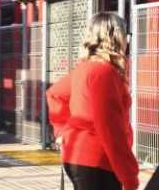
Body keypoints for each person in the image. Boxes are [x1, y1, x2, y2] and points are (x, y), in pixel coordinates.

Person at [47, 12, 139, 190]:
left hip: (77, 157)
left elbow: (54, 94)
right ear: (117, 37)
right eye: (126, 35)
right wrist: (129, 177)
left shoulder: (84, 68)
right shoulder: (104, 73)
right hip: (98, 162)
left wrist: (62, 132)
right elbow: (111, 130)